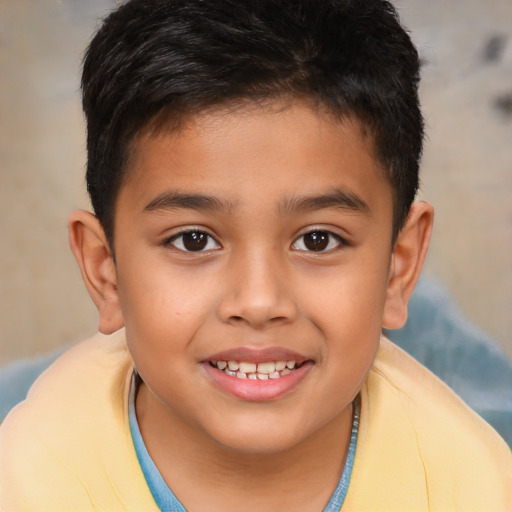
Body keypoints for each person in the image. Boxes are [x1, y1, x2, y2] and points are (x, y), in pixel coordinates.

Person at [0, 0, 510, 510]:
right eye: (193, 240)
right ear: (105, 271)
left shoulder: (471, 489)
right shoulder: (30, 481)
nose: (260, 301)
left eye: (318, 239)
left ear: (398, 267)